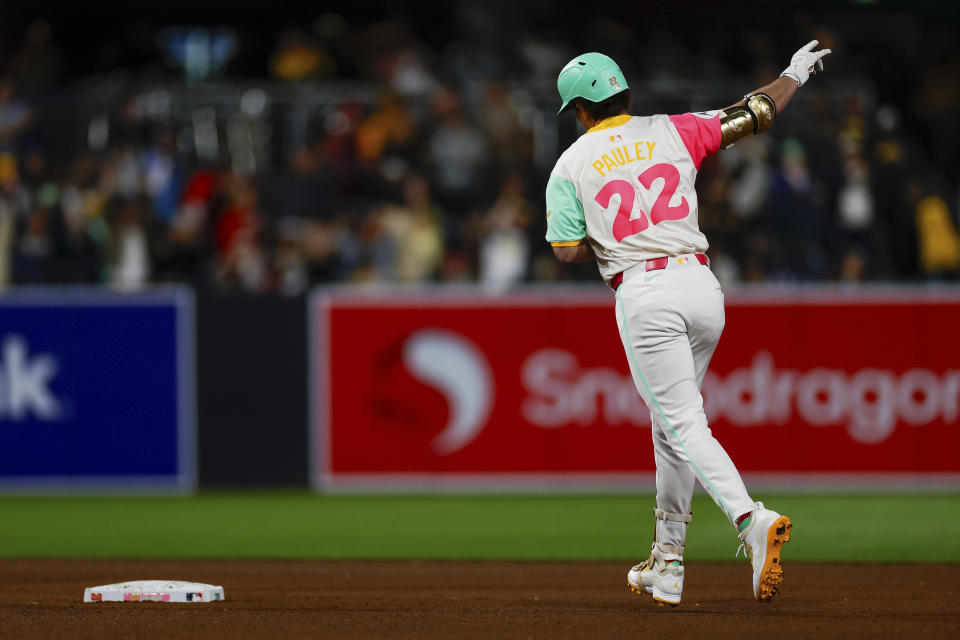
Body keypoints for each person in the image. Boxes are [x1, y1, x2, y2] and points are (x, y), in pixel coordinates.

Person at [545, 42, 831, 605]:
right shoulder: (673, 129)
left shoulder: (570, 165)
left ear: (580, 110)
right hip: (702, 286)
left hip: (646, 294)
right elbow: (755, 114)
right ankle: (668, 562)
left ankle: (752, 519)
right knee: (670, 429)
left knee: (682, 424)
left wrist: (606, 239)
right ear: (626, 93)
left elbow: (565, 248)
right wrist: (792, 74)